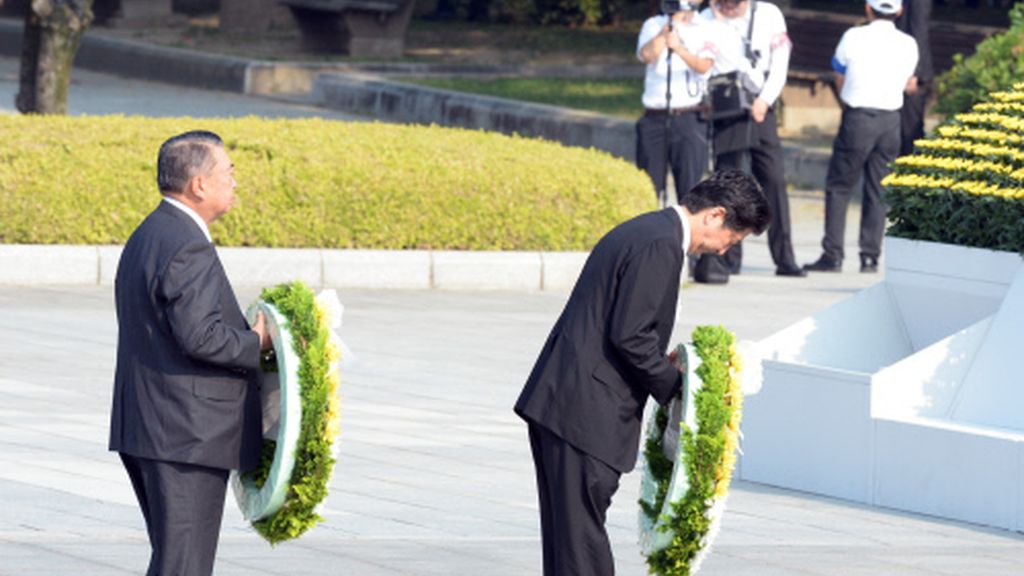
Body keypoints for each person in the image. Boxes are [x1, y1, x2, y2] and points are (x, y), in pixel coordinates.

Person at [514, 169, 770, 576]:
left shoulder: (649, 229)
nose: (724, 251)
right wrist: (679, 390)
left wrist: (662, 364)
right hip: (585, 413)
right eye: (732, 239)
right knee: (581, 547)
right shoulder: (661, 244)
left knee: (569, 543)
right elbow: (630, 336)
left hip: (566, 404)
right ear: (716, 215)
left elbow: (625, 326)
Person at [109, 130, 271, 576]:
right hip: (185, 435)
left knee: (175, 561)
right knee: (184, 566)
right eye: (228, 172)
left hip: (155, 426)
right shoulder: (186, 244)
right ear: (199, 184)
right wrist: (257, 342)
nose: (235, 182)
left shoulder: (152, 232)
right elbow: (200, 336)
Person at [692, 0, 806, 283]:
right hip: (727, 106)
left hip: (760, 106)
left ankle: (784, 257)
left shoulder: (769, 14)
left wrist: (765, 99)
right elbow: (707, 64)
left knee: (774, 181)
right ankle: (727, 256)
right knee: (728, 183)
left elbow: (780, 63)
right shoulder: (708, 18)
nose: (729, 8)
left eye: (734, 4)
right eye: (723, 3)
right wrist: (719, 22)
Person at [804, 0, 918, 274]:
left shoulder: (853, 36)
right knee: (878, 189)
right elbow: (908, 83)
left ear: (868, 8)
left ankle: (833, 254)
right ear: (899, 11)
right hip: (891, 120)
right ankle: (870, 256)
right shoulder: (908, 44)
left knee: (839, 186)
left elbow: (839, 75)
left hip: (858, 116)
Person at [635, 0, 716, 206]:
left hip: (688, 116)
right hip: (655, 116)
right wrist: (666, 31)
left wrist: (679, 48)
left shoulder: (705, 27)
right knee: (647, 188)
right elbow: (647, 55)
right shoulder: (653, 24)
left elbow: (704, 65)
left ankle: (686, 227)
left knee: (690, 190)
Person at [896, 0, 933, 155]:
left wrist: (915, 71)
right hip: (898, 62)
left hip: (911, 69)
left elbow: (919, 29)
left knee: (909, 130)